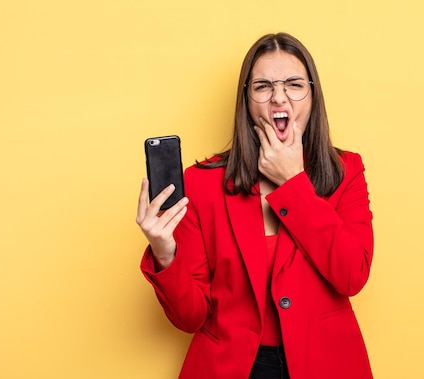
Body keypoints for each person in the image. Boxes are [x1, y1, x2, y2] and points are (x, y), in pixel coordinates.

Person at [136, 32, 374, 379]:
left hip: (324, 364)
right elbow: (189, 318)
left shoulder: (347, 171)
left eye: (294, 85)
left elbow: (352, 275)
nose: (280, 98)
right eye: (263, 86)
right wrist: (164, 252)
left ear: (312, 96)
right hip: (231, 368)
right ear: (246, 99)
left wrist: (294, 184)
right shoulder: (202, 184)